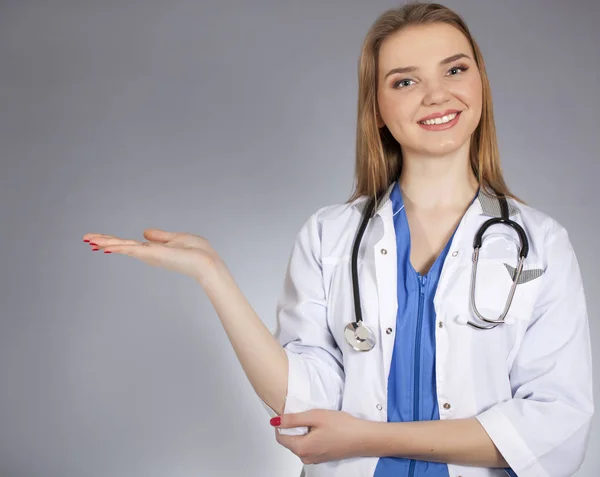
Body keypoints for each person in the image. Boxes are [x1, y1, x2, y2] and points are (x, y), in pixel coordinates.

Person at [82, 2, 593, 477]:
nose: (436, 94)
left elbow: (556, 427)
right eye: (404, 81)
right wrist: (213, 275)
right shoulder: (330, 237)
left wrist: (367, 437)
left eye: (455, 70)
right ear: (375, 108)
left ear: (481, 81)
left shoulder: (540, 244)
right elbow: (301, 404)